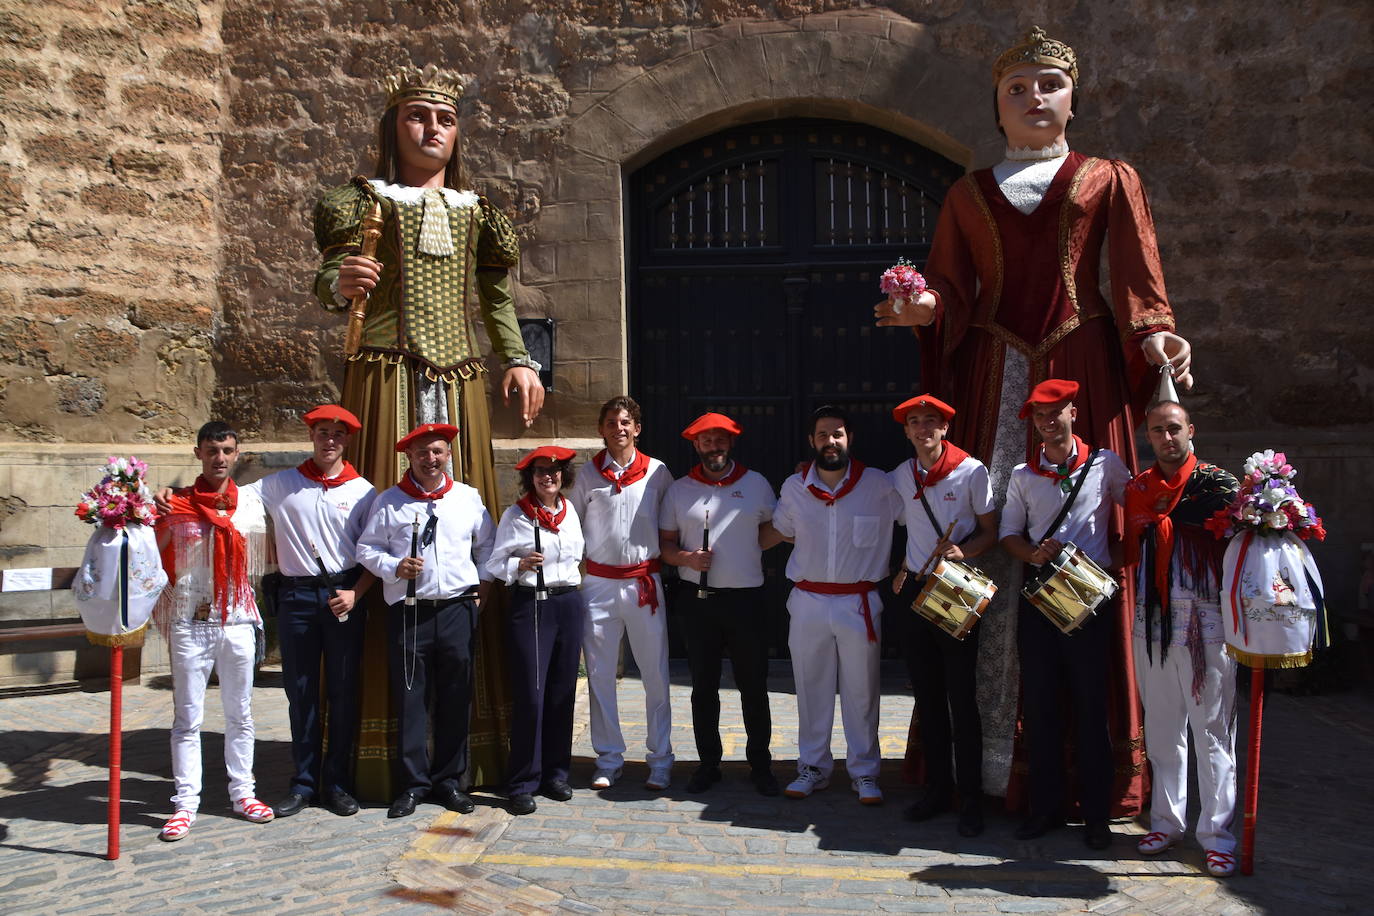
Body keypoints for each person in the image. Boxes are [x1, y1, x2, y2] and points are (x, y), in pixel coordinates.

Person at [874, 25, 1191, 810]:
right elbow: (951, 288)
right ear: (997, 106)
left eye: (1049, 83)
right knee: (986, 546)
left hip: (1080, 361)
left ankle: (1089, 771)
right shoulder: (966, 193)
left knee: (1078, 544)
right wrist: (924, 305)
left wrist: (1157, 337)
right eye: (1018, 88)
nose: (1034, 97)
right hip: (991, 372)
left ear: (1072, 96)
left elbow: (1138, 285)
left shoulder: (1110, 178)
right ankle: (979, 768)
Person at [312, 64, 543, 797]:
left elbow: (496, 295)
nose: (432, 129)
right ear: (393, 126)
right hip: (384, 372)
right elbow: (326, 280)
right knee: (387, 514)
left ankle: (469, 752)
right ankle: (380, 752)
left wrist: (517, 359)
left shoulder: (478, 210)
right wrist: (339, 282)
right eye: (417, 116)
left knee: (463, 530)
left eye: (444, 117)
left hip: (461, 380)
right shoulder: (362, 203)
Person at [1000, 379, 1131, 848]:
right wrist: (1033, 554)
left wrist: (1111, 560)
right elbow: (1009, 535)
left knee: (1091, 708)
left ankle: (1096, 816)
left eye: (1056, 412)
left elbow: (1133, 517)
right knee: (1040, 707)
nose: (1048, 422)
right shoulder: (1022, 474)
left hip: (1088, 602)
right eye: (1039, 415)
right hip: (1039, 600)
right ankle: (1045, 809)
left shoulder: (1105, 464)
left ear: (1073, 412)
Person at [1124, 401, 1240, 877]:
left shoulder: (1220, 486)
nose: (1167, 438)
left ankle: (1217, 835)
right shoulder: (1138, 489)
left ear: (1191, 429)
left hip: (1206, 624)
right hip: (1152, 623)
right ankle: (1166, 821)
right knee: (1163, 729)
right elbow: (1129, 548)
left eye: (1174, 429)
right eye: (1157, 431)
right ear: (1148, 437)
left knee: (1211, 731)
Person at [355, 423, 495, 819]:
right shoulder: (389, 502)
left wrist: (482, 589)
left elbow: (487, 545)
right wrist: (394, 566)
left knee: (455, 698)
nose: (430, 459)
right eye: (422, 453)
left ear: (448, 454)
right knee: (411, 700)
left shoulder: (467, 498)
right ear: (409, 457)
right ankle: (413, 785)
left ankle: (449, 781)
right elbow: (366, 548)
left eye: (437, 452)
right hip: (410, 614)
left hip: (456, 610)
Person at [248, 405, 377, 819]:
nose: (330, 440)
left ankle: (336, 783)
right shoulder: (281, 484)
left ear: (347, 440)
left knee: (342, 692)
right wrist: (170, 498)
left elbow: (374, 555)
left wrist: (356, 594)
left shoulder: (363, 491)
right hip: (297, 599)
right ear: (312, 436)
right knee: (300, 693)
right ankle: (303, 782)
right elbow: (231, 500)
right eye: (323, 432)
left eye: (338, 434)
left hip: (343, 597)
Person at [771, 406, 901, 805]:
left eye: (838, 434)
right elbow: (783, 533)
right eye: (823, 434)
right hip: (809, 599)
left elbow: (917, 514)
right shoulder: (794, 486)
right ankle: (812, 767)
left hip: (858, 602)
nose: (831, 441)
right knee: (811, 688)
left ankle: (864, 771)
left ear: (850, 439)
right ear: (812, 442)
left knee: (863, 690)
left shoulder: (881, 485)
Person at [152, 421, 273, 841]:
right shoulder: (176, 504)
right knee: (188, 716)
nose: (219, 458)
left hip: (238, 617)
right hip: (191, 618)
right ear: (198, 453)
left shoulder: (251, 503)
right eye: (211, 450)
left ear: (237, 454)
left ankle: (243, 793)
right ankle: (185, 803)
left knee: (240, 713)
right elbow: (151, 550)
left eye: (226, 450)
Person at [888, 395, 997, 836]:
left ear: (945, 428)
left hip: (954, 588)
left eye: (930, 422)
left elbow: (992, 530)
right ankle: (937, 790)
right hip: (916, 589)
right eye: (914, 423)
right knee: (928, 698)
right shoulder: (900, 474)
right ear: (907, 431)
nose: (922, 429)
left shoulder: (971, 471)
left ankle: (971, 797)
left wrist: (963, 550)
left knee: (961, 699)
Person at [660, 412, 784, 797]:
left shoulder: (757, 484)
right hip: (697, 603)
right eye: (706, 441)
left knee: (753, 685)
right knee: (703, 687)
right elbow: (665, 545)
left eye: (720, 440)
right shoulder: (680, 490)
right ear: (696, 446)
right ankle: (708, 764)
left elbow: (773, 528)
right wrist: (686, 559)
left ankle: (760, 765)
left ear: (730, 443)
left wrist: (748, 548)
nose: (714, 447)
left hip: (746, 599)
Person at [568, 396, 675, 791]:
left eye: (626, 422)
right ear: (602, 429)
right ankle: (609, 758)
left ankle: (660, 759)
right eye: (612, 421)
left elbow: (672, 524)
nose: (619, 428)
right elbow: (572, 526)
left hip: (644, 584)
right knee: (599, 673)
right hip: (598, 584)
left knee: (655, 673)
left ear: (637, 428)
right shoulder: (587, 475)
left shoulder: (658, 473)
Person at [486, 446, 586, 816]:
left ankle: (555, 774)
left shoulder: (569, 510)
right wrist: (520, 563)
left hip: (568, 602)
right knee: (532, 694)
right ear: (530, 478)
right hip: (532, 603)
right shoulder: (517, 515)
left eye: (555, 471)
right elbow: (495, 563)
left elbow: (576, 556)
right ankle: (522, 781)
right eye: (541, 472)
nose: (549, 477)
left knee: (563, 690)